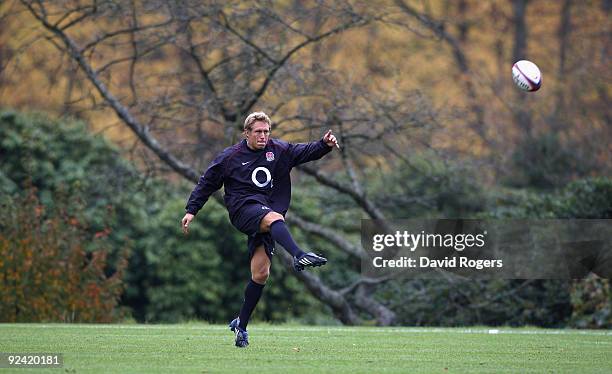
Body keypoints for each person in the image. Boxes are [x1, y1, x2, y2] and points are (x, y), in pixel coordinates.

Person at [181, 111, 339, 348]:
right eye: (258, 132)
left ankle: (241, 327)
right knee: (274, 218)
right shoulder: (230, 157)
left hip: (267, 213)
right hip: (242, 209)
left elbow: (304, 152)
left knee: (261, 274)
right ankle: (299, 255)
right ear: (246, 133)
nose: (263, 136)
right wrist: (192, 210)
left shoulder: (279, 150)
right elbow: (207, 182)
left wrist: (324, 145)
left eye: (266, 131)